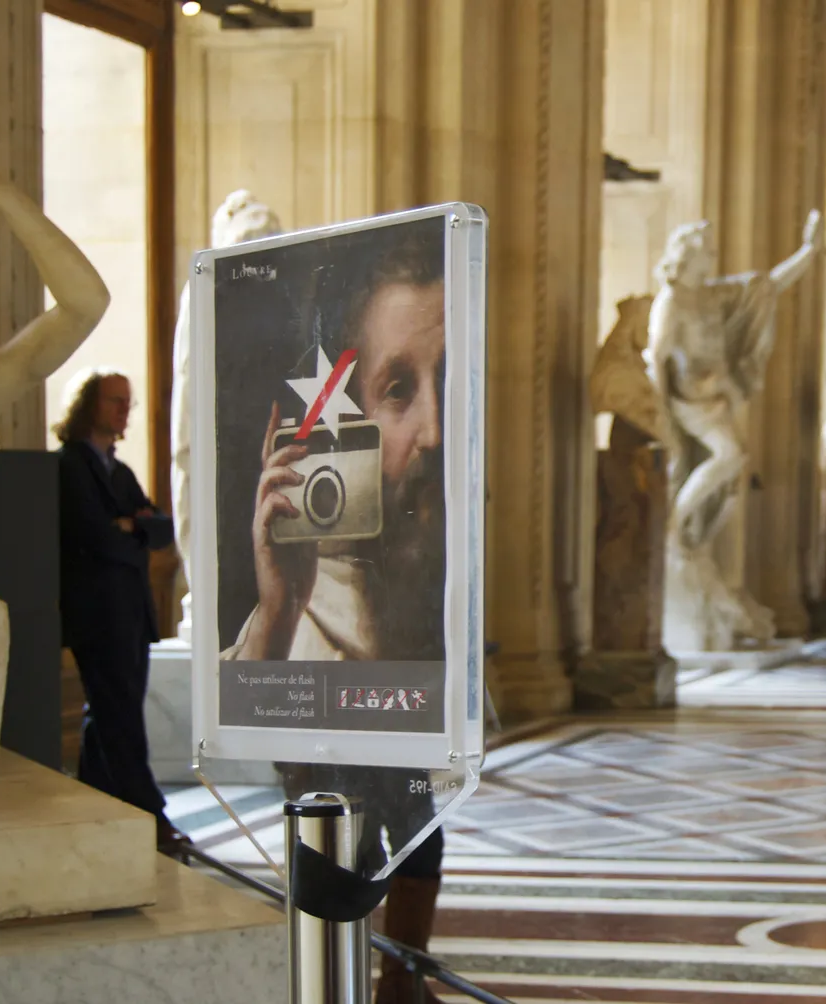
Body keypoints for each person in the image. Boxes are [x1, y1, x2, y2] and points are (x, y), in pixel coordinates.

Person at [222, 226, 449, 1004]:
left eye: (450, 383)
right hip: (328, 724)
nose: (439, 433)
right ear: (338, 420)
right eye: (397, 390)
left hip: (407, 711)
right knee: (339, 844)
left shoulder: (439, 566)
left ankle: (400, 982)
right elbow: (241, 721)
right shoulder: (293, 607)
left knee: (420, 835)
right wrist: (281, 604)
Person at [55, 369, 186, 848]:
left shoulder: (120, 471)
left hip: (131, 613)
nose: (123, 411)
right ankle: (151, 818)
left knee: (111, 713)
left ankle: (93, 803)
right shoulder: (70, 466)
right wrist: (133, 529)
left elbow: (162, 529)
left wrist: (131, 526)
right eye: (115, 401)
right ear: (89, 404)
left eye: (127, 403)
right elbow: (96, 538)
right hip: (97, 616)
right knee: (120, 717)